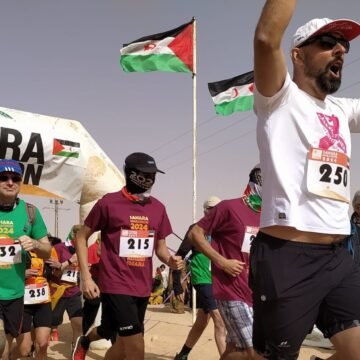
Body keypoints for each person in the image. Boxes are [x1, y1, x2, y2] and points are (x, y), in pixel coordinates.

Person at [252, 2, 360, 359]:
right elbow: (267, 39)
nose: (341, 49)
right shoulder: (279, 98)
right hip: (288, 259)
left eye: (344, 45)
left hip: (338, 258)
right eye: (329, 42)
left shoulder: (342, 110)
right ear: (298, 55)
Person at [72, 152, 184, 360]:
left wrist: (170, 260)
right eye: (146, 175)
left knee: (122, 345)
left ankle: (86, 340)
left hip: (142, 286)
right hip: (116, 283)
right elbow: (81, 236)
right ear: (131, 174)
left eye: (153, 175)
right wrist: (86, 278)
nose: (150, 180)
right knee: (135, 345)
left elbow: (160, 247)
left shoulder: (158, 208)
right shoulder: (109, 203)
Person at [188, 166, 262, 359]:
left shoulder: (270, 214)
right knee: (254, 353)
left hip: (255, 292)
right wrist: (222, 262)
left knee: (233, 349)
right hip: (231, 289)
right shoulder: (229, 207)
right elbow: (195, 233)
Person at [0, 159, 51, 359]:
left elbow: (47, 250)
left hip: (16, 294)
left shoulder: (31, 212)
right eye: (3, 177)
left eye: (15, 178)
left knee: (17, 350)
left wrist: (36, 245)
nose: (10, 182)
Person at [174, 195, 226, 360]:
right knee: (220, 321)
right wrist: (176, 283)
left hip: (218, 280)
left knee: (202, 321)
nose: (217, 213)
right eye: (213, 209)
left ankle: (182, 355)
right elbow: (180, 255)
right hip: (202, 278)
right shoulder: (196, 229)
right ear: (206, 211)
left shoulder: (225, 230)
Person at [46, 225, 83, 354]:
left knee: (78, 323)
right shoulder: (57, 248)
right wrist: (68, 262)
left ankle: (76, 351)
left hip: (74, 291)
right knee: (50, 322)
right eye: (83, 237)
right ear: (75, 235)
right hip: (57, 292)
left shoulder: (83, 250)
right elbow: (53, 274)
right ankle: (39, 347)